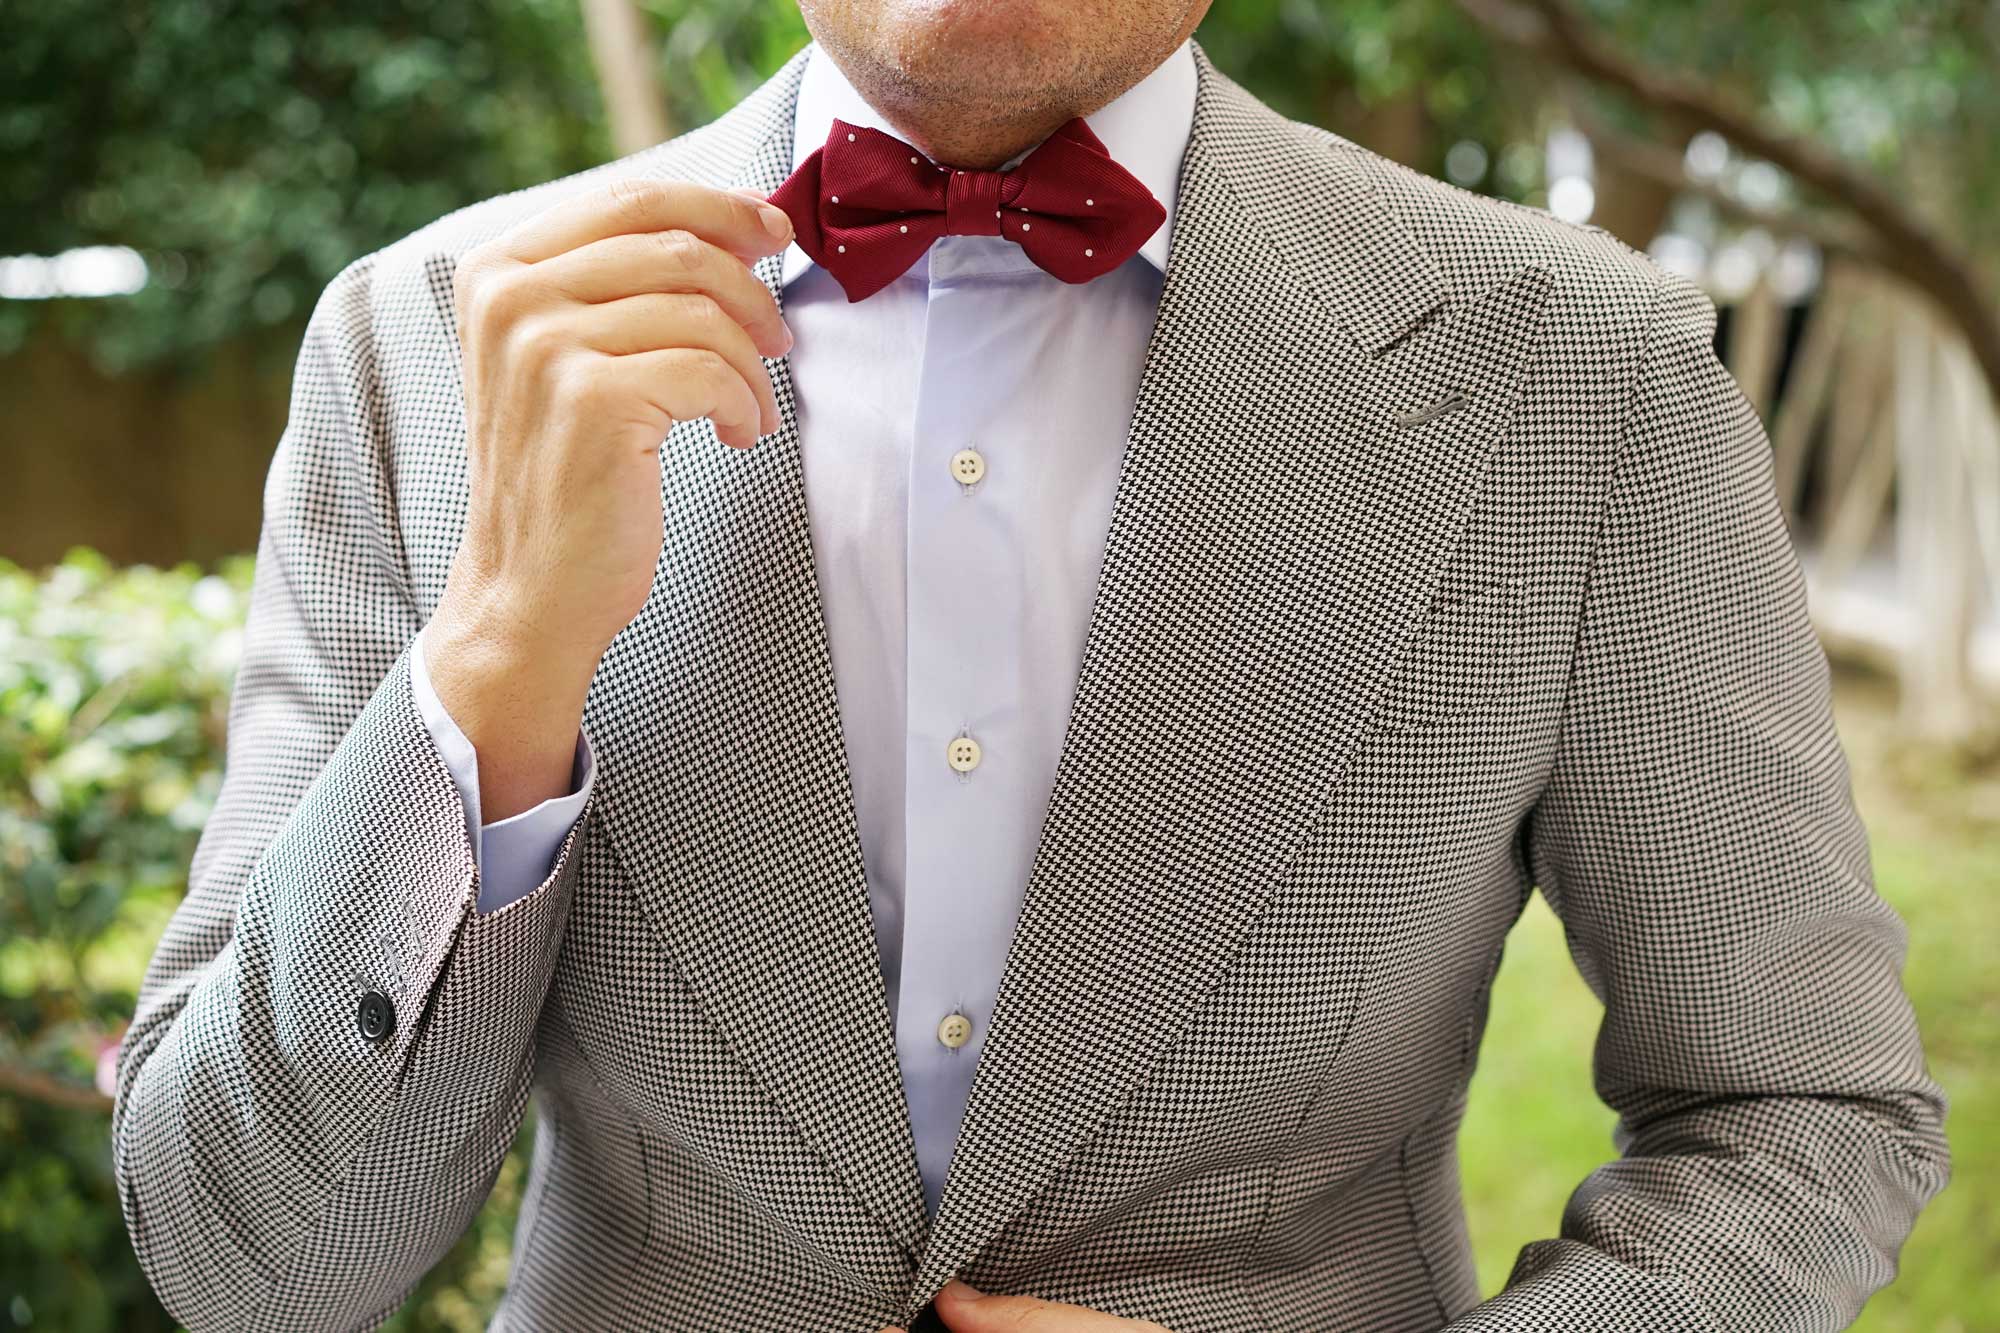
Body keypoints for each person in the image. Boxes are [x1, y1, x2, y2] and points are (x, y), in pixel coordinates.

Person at [112, 0, 1949, 1328]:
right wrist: (500, 645)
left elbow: (1799, 1115)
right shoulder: (416, 346)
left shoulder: (1588, 374)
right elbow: (247, 1260)